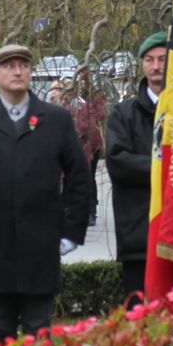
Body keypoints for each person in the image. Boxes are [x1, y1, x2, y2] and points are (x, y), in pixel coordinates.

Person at [0, 43, 93, 337]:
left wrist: (72, 231)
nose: (18, 71)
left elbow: (79, 176)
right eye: (9, 66)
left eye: (23, 65)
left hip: (40, 243)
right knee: (1, 334)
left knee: (39, 333)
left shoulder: (55, 118)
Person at [103, 33, 167, 297]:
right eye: (149, 60)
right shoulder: (123, 114)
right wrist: (166, 168)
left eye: (163, 59)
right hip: (138, 234)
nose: (156, 67)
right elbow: (118, 162)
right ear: (142, 65)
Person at [72, 69, 107, 228]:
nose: (82, 81)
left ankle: (91, 210)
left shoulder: (96, 96)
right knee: (80, 176)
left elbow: (99, 116)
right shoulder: (73, 96)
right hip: (78, 142)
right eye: (80, 78)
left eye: (84, 78)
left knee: (90, 176)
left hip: (93, 143)